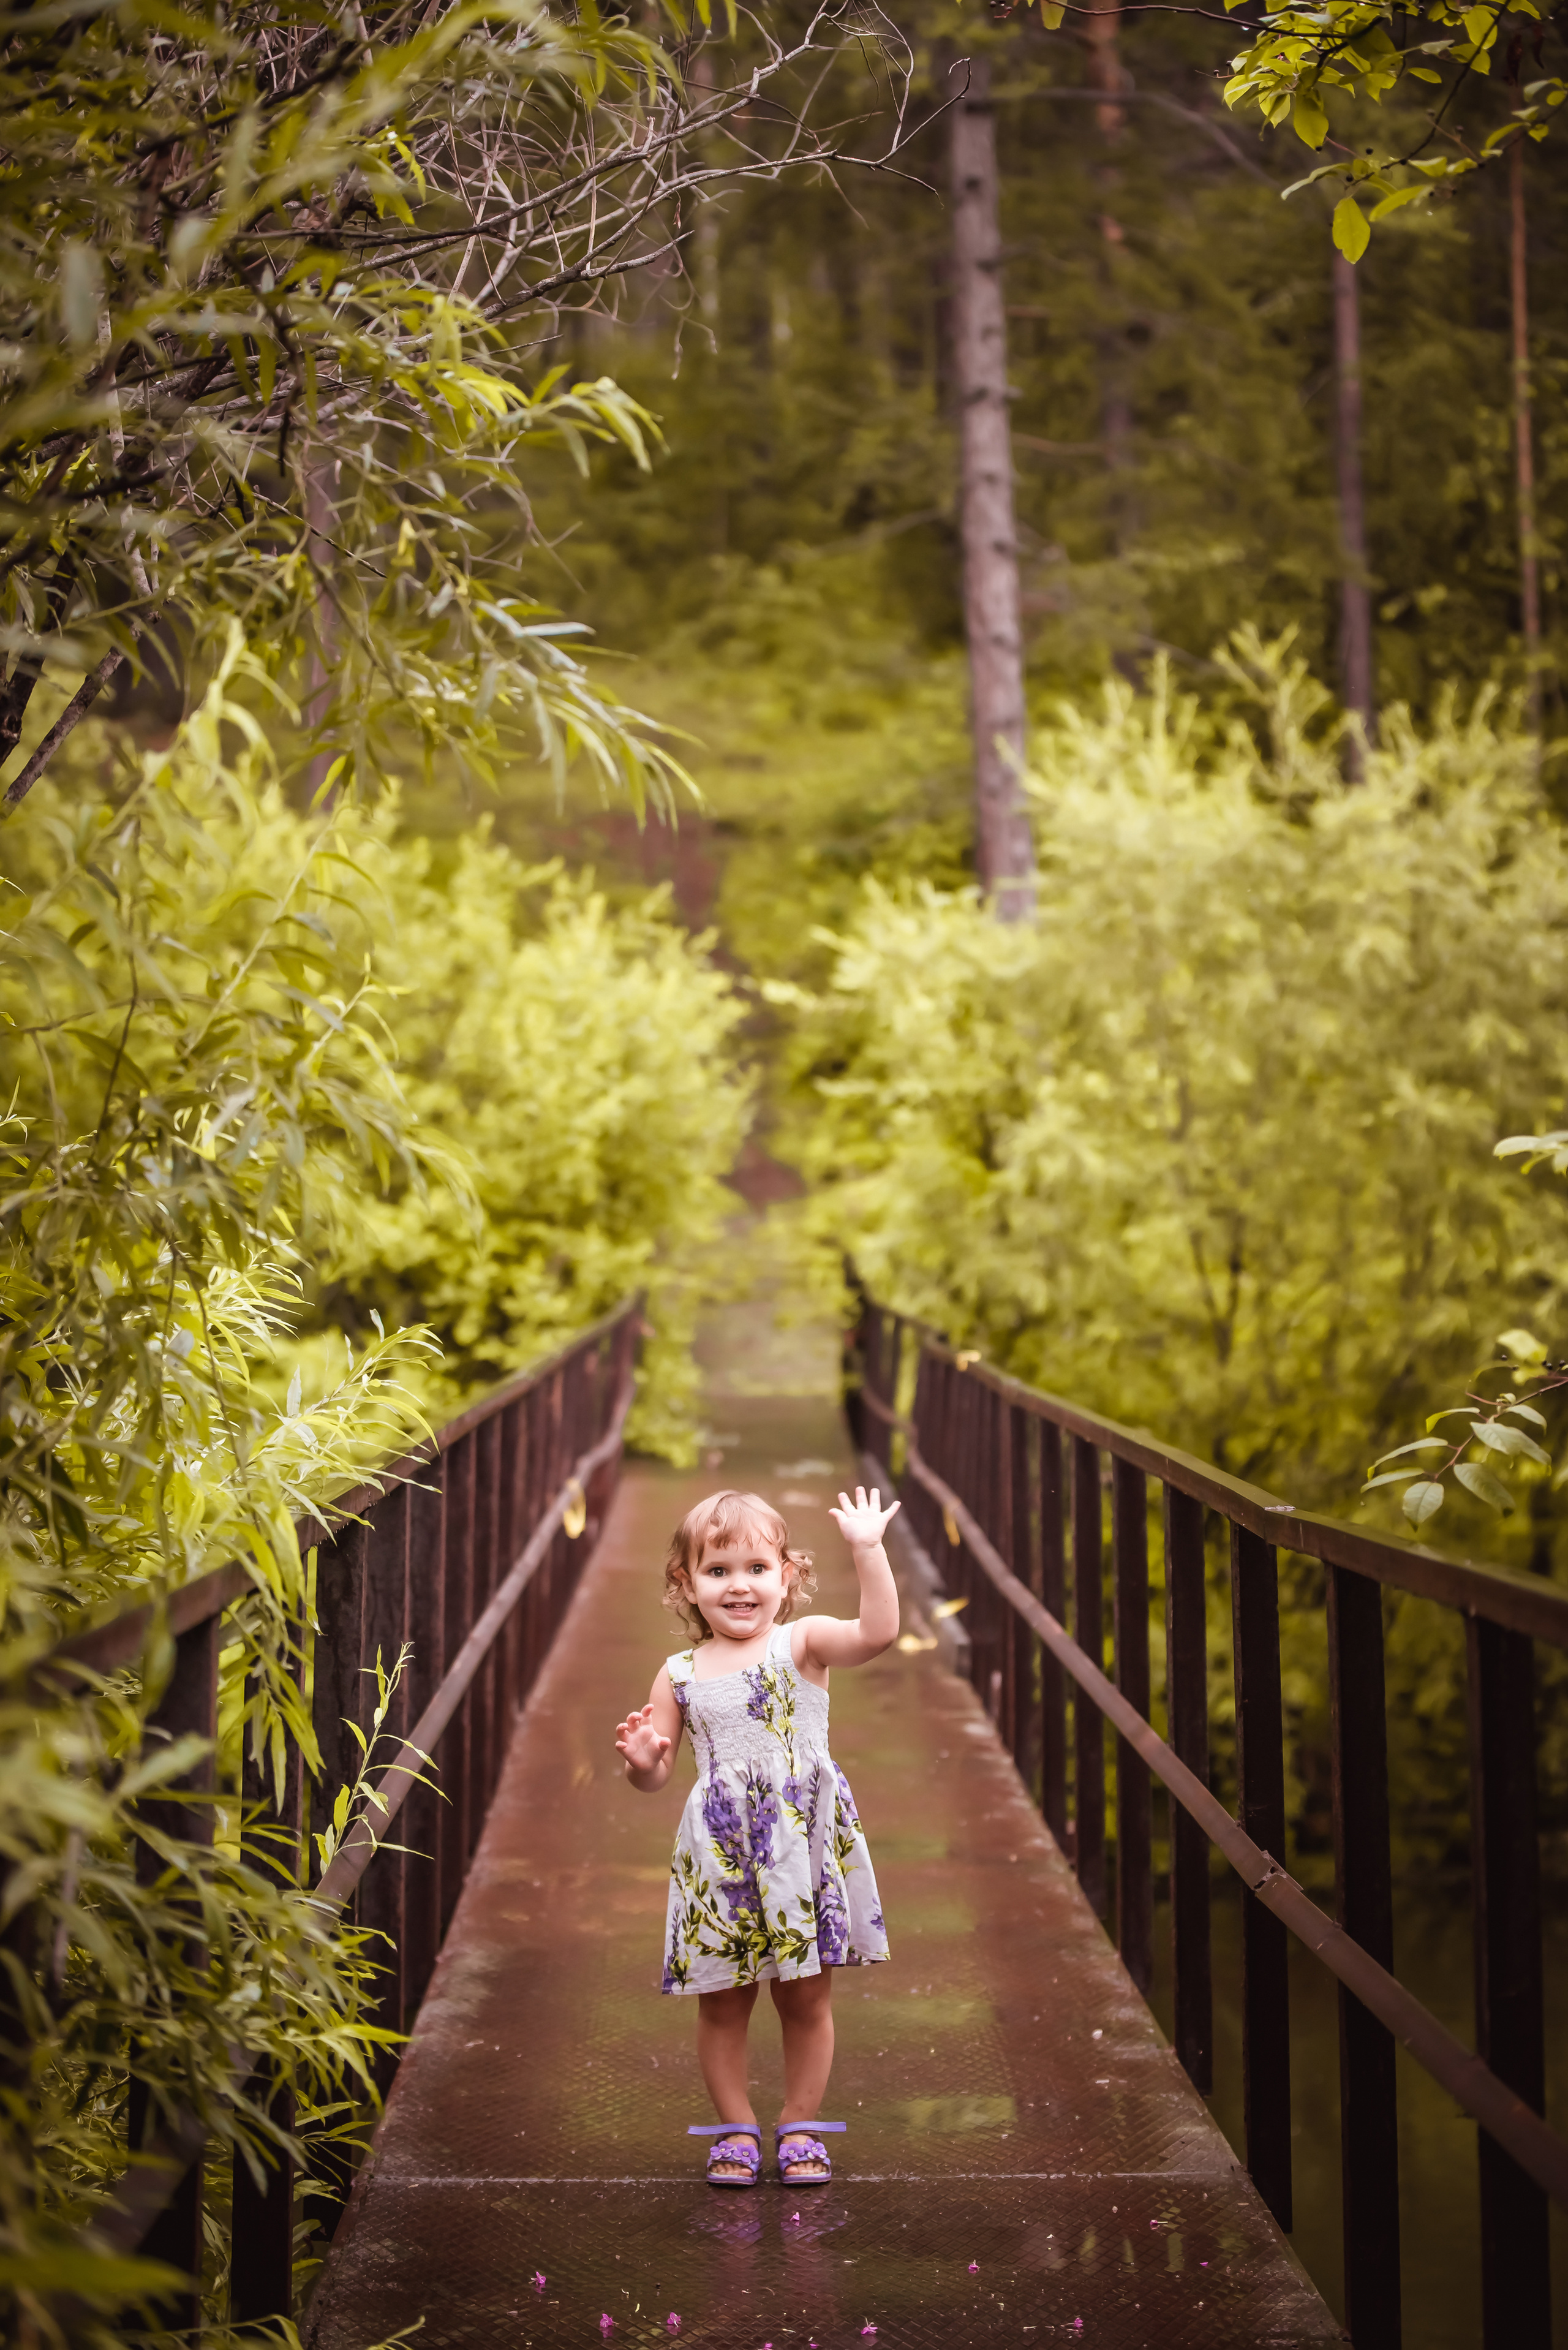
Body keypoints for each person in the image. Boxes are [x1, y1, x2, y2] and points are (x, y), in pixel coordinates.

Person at [612, 1483, 900, 2189]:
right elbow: (655, 1774)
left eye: (756, 1568)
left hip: (800, 1845)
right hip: (722, 1854)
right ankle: (735, 2127)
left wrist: (868, 1549)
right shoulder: (678, 1674)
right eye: (717, 1570)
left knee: (805, 1994)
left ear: (786, 1575)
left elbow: (877, 1632)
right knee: (722, 1996)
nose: (739, 1585)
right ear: (686, 1583)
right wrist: (644, 1762)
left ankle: (801, 2123)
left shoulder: (801, 1643)